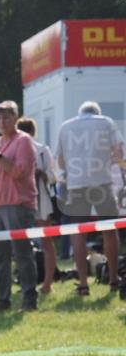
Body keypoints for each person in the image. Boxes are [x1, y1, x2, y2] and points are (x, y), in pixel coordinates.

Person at [55, 100, 124, 296]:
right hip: (101, 182)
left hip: (77, 185)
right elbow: (119, 152)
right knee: (109, 230)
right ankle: (113, 279)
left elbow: (60, 161)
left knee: (78, 233)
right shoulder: (107, 122)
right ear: (97, 111)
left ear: (80, 112)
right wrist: (107, 162)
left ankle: (83, 284)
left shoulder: (66, 126)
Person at [0, 101, 38, 311]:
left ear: (15, 118)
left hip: (17, 203)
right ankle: (2, 299)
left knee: (22, 252)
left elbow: (20, 172)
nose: (2, 122)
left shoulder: (23, 141)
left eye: (6, 117)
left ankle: (29, 297)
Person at [17, 117, 59, 294]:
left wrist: (40, 173)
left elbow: (53, 176)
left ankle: (48, 282)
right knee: (22, 243)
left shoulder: (42, 150)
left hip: (40, 199)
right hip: (20, 199)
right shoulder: (14, 148)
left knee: (46, 241)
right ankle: (27, 282)